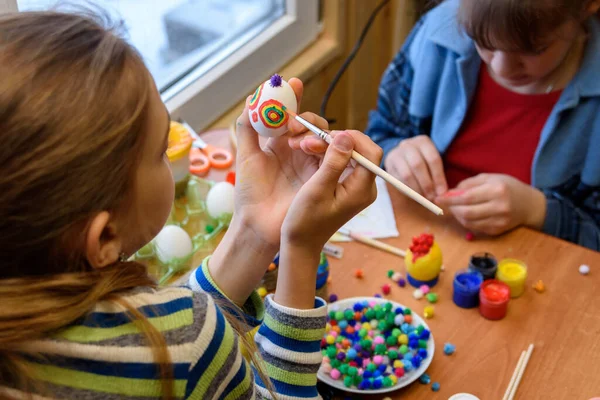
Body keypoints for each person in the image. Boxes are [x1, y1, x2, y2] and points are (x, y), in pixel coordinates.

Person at [0, 9, 382, 399]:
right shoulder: (188, 349)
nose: (170, 154)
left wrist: (252, 232)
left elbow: (170, 329)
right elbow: (184, 344)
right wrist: (300, 248)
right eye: (162, 149)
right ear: (104, 237)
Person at [366, 0, 600, 251]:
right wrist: (393, 152)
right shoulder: (439, 32)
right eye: (483, 41)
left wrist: (537, 211)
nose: (501, 68)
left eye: (532, 49)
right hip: (420, 236)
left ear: (587, 6)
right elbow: (379, 133)